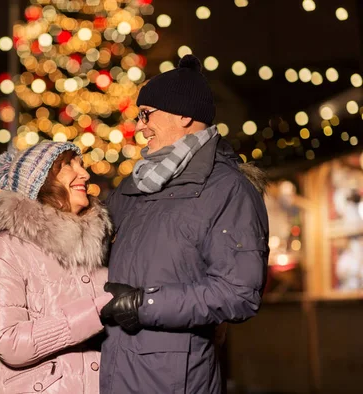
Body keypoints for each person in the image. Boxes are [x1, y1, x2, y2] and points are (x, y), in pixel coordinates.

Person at [99, 54, 270, 394]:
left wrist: (143, 304)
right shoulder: (133, 186)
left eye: (147, 114)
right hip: (114, 370)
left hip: (175, 379)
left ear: (184, 115)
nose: (140, 125)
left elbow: (238, 292)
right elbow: (90, 244)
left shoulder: (227, 189)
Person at [0, 141, 114, 393]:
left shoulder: (102, 240)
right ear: (40, 181)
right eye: (68, 165)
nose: (84, 174)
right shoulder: (8, 247)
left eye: (82, 165)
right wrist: (96, 312)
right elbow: (8, 342)